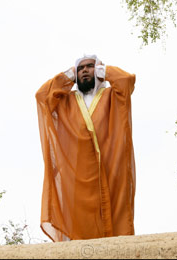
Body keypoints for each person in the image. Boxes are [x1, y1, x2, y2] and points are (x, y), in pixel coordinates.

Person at [35, 55, 136, 242]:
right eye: (80, 68)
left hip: (111, 170)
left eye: (90, 66)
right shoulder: (66, 101)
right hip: (78, 178)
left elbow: (126, 80)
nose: (85, 70)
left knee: (117, 226)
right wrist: (67, 77)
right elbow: (42, 96)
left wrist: (104, 72)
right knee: (79, 232)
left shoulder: (112, 95)